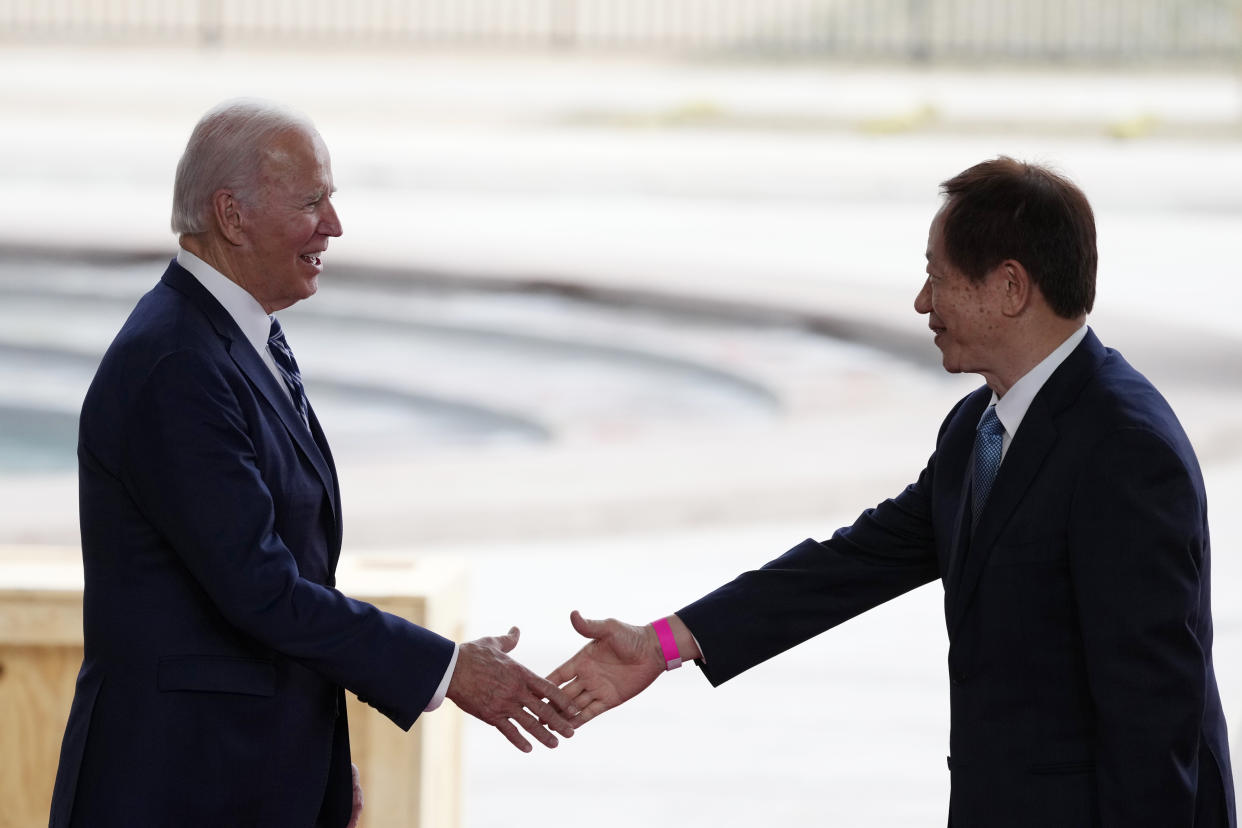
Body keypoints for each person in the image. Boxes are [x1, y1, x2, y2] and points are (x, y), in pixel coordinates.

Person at [550, 158, 1236, 827]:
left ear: (1010, 287)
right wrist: (664, 641)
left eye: (937, 278)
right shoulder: (978, 427)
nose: (922, 302)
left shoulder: (1124, 445)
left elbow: (1155, 714)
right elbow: (851, 564)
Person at [48, 98, 576, 828]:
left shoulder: (232, 338)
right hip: (180, 787)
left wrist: (319, 758)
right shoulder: (175, 363)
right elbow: (261, 590)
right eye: (312, 202)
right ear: (232, 217)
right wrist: (448, 670)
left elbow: (283, 582)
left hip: (248, 772)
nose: (333, 225)